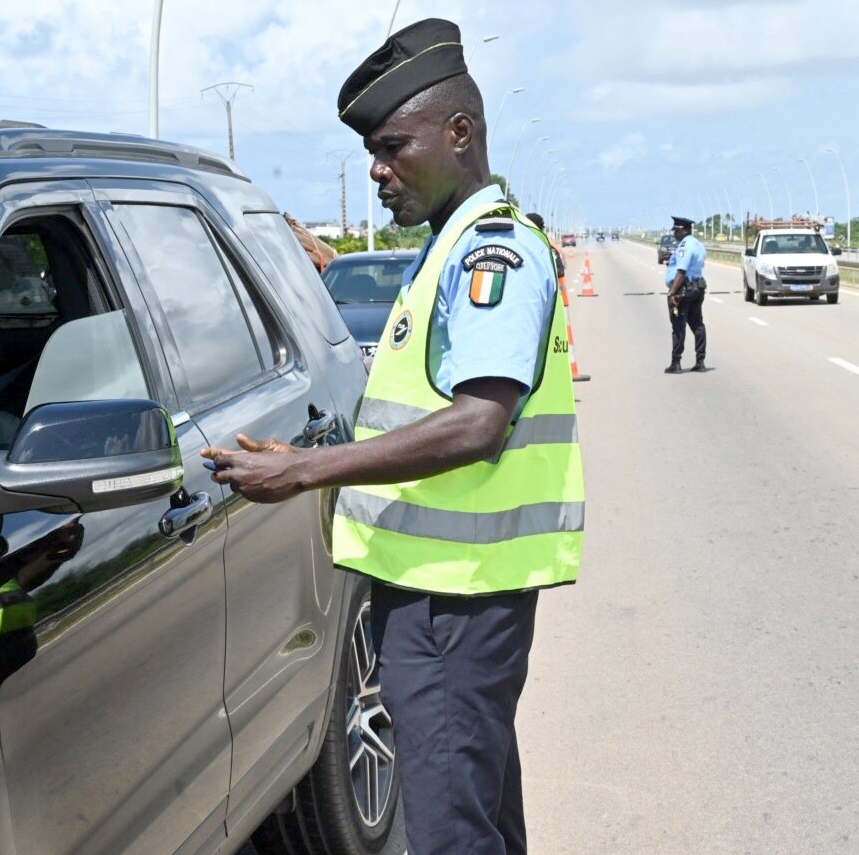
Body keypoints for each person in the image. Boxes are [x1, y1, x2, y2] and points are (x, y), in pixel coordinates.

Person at [202, 18, 583, 855]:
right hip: (444, 590)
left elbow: (479, 422)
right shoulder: (447, 249)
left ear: (459, 133)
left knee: (449, 831)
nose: (376, 170)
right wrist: (311, 454)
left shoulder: (490, 255)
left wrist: (310, 469)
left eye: (390, 146)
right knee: (477, 815)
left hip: (456, 597)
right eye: (371, 151)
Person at [664, 215, 708, 373]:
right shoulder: (698, 244)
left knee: (678, 327)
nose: (674, 234)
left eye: (676, 231)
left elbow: (681, 271)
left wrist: (672, 293)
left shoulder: (685, 246)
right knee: (698, 325)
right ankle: (700, 362)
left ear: (684, 230)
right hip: (697, 289)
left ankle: (676, 364)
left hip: (683, 290)